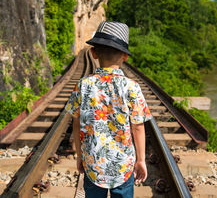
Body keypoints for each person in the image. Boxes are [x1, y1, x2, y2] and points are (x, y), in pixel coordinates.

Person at [65, 21, 152, 198]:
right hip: (123, 165)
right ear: (125, 56)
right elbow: (138, 127)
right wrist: (141, 160)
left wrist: (80, 156)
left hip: (93, 163)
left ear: (94, 53)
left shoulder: (82, 85)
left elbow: (76, 124)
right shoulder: (132, 87)